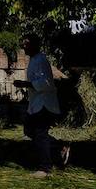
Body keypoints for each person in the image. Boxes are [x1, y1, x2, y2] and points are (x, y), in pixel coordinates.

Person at [14, 33, 62, 177]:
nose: (24, 46)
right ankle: (60, 147)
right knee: (29, 131)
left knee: (40, 134)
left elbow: (46, 83)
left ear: (35, 45)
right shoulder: (33, 60)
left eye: (27, 43)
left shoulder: (41, 60)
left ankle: (45, 168)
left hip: (44, 103)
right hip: (36, 103)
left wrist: (25, 84)